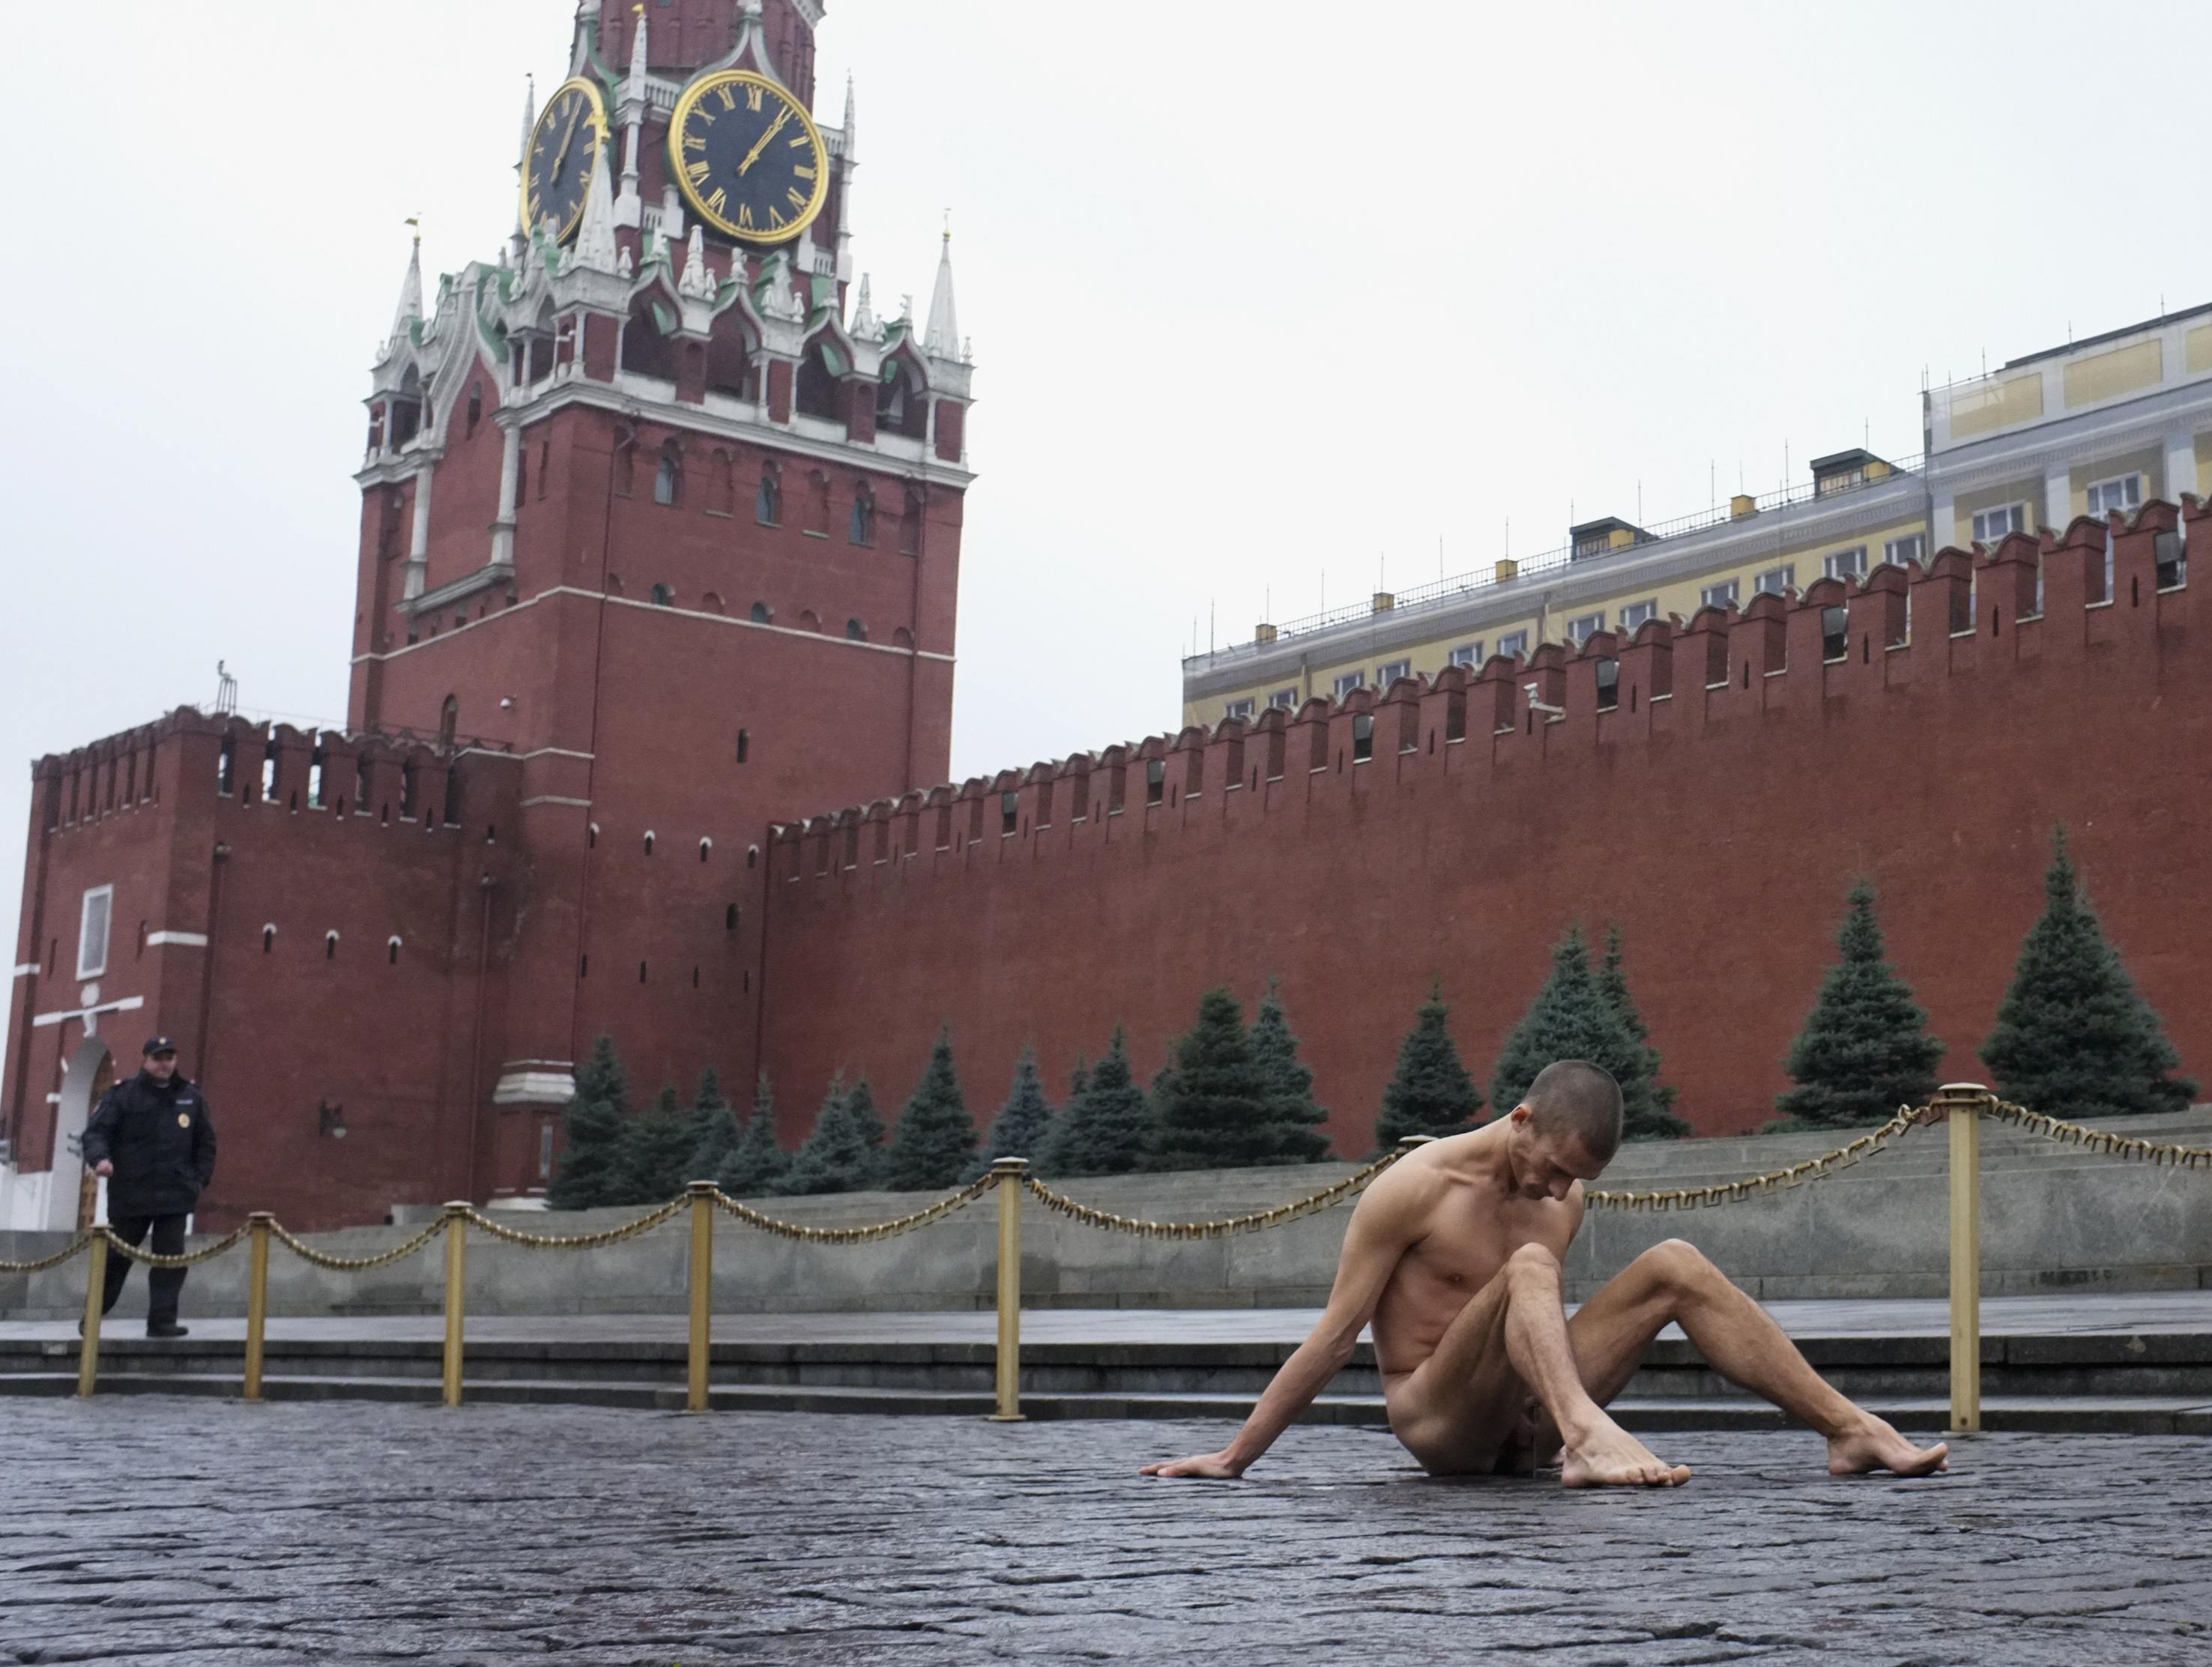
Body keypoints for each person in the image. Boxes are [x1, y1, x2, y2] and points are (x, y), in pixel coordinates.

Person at [1143, 1059, 1947, 1489]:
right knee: (1529, 1264)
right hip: (1439, 1418)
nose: (1560, 1192)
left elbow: (1538, 1327)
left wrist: (1548, 1408)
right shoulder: (1414, 1186)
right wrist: (1235, 1455)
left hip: (1530, 1414)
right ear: (1521, 1119)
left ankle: (1850, 1429)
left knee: (1675, 1262)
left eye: (1577, 1179)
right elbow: (1333, 1336)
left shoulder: (1565, 1195)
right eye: (1555, 1168)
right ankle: (1587, 1438)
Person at [80, 1035, 219, 1340]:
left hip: (175, 1196)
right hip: (131, 1193)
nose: (164, 1064)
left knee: (171, 1261)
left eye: (169, 1058)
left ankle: (162, 1322)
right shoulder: (123, 1095)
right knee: (116, 1260)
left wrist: (197, 1181)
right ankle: (92, 1316)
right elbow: (96, 1133)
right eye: (158, 1058)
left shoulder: (190, 1096)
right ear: (145, 1060)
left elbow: (206, 1143)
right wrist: (100, 1159)